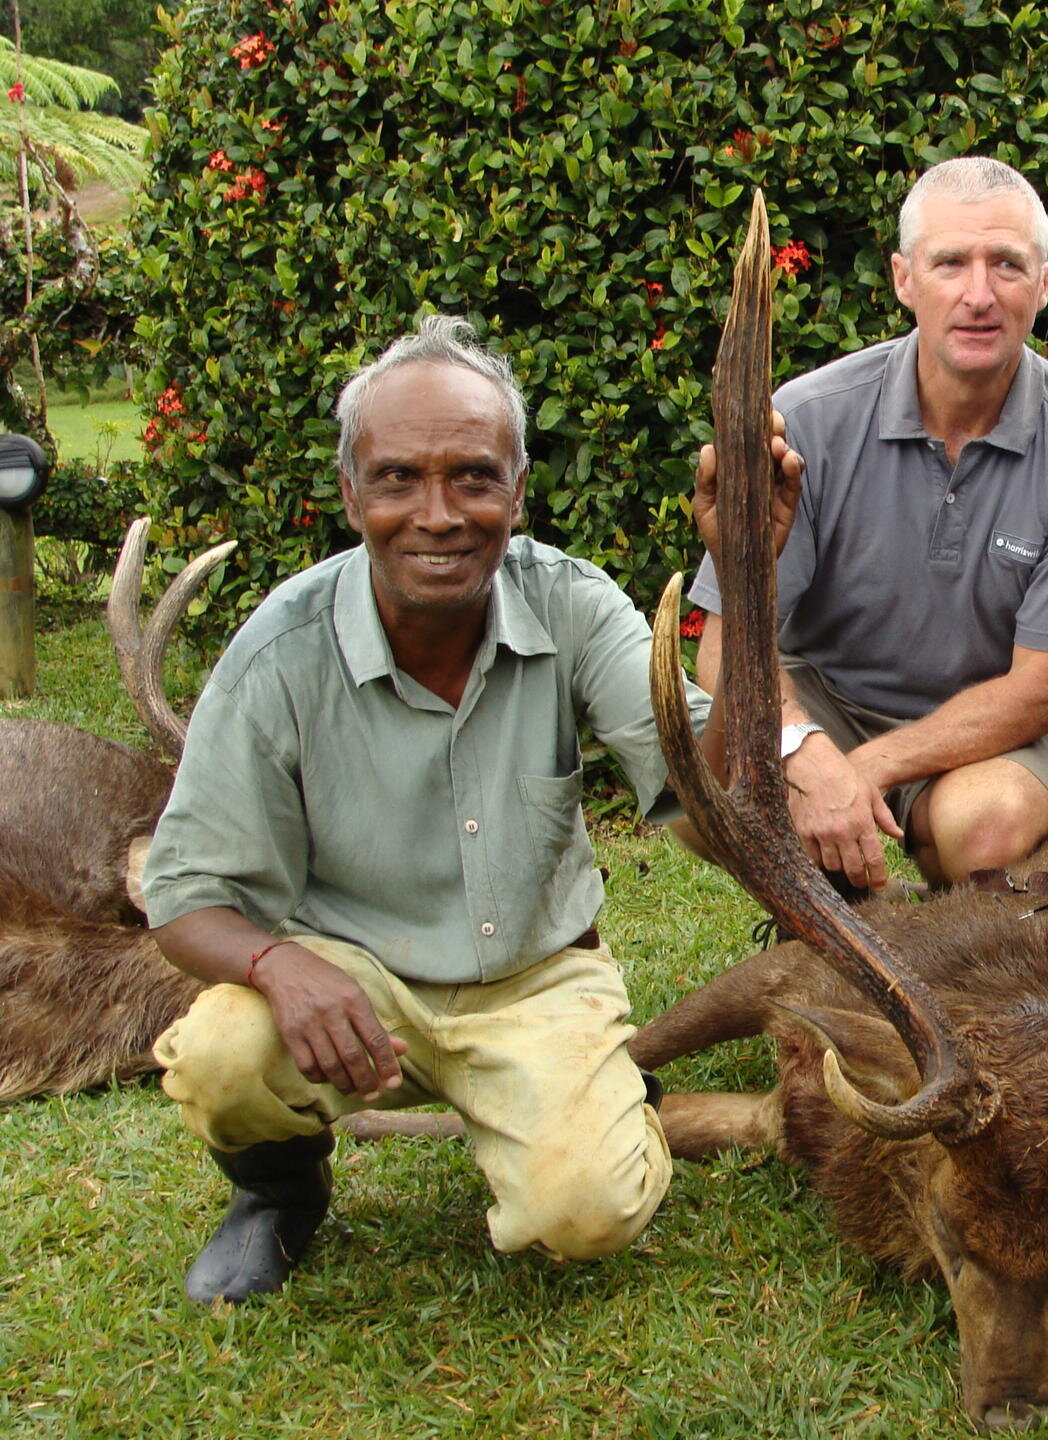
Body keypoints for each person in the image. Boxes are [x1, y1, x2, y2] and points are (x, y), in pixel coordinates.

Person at [143, 316, 801, 1303]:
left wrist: (745, 575)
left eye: (474, 478)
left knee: (585, 1213)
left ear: (518, 490)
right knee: (223, 1053)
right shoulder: (279, 653)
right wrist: (280, 966)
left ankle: (591, 1099)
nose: (439, 514)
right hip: (351, 983)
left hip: (534, 977)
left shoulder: (573, 606)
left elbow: (712, 793)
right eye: (401, 478)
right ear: (352, 492)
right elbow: (184, 897)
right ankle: (277, 1194)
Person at [686, 157, 1048, 891]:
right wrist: (802, 749)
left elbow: (1038, 690)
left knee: (987, 825)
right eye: (950, 263)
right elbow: (724, 645)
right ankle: (846, 912)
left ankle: (929, 922)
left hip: (987, 740)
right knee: (726, 787)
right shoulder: (807, 418)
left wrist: (867, 768)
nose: (978, 295)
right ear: (904, 279)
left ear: (1045, 283)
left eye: (1007, 265)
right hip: (822, 702)